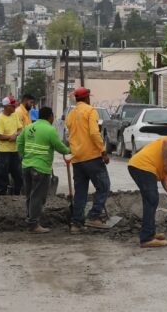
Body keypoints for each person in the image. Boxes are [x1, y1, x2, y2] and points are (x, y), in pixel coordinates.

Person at [17, 106, 69, 234]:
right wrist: (71, 150)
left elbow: (19, 141)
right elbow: (60, 147)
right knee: (37, 197)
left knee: (30, 195)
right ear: (50, 117)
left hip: (26, 166)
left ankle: (30, 219)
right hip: (41, 168)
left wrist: (24, 155)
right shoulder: (50, 130)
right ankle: (34, 224)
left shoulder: (29, 127)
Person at [65, 87, 111, 230]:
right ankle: (94, 216)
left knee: (80, 192)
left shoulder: (71, 114)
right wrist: (103, 151)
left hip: (77, 159)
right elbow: (94, 133)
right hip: (91, 157)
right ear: (87, 98)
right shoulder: (91, 111)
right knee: (103, 186)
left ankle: (76, 223)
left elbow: (70, 135)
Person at [0, 96, 24, 195]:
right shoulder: (0, 119)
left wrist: (15, 135)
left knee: (18, 174)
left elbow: (20, 129)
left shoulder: (14, 116)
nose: (15, 108)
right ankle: (2, 196)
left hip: (14, 150)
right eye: (13, 106)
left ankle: (17, 194)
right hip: (3, 152)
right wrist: (10, 137)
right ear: (7, 106)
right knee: (3, 175)